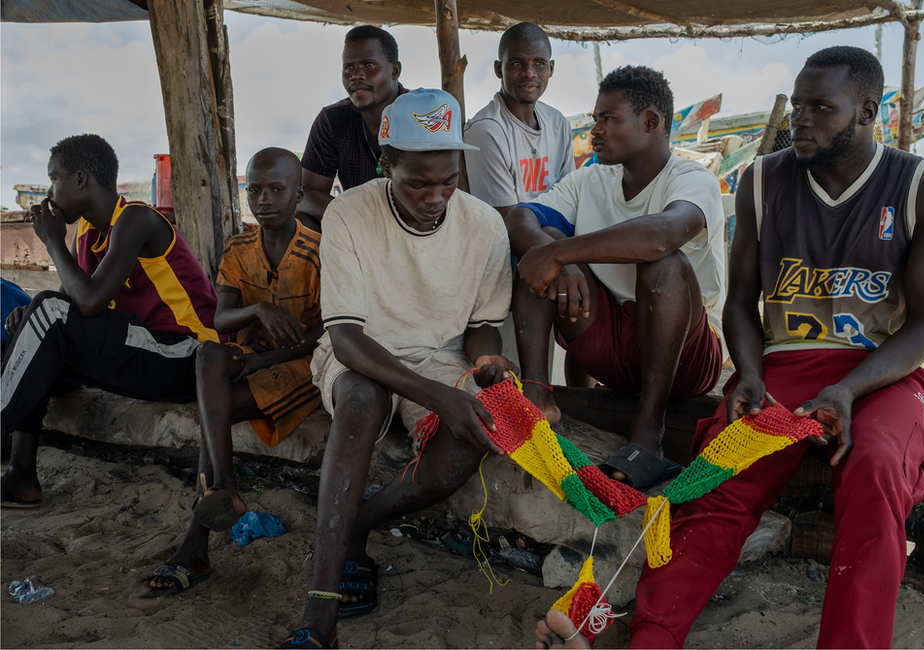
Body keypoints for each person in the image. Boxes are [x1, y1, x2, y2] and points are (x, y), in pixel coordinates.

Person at [541, 46, 924, 650]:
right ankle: (653, 638)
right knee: (718, 484)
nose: (802, 119)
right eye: (798, 104)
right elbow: (740, 303)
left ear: (869, 112)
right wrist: (748, 375)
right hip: (783, 364)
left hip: (881, 372)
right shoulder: (762, 179)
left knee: (873, 471)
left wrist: (845, 390)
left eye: (823, 107)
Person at [279, 88, 516, 649]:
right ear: (386, 164)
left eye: (448, 180)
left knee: (469, 438)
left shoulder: (483, 225)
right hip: (364, 351)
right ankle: (321, 605)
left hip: (440, 355)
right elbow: (347, 337)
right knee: (363, 399)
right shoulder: (349, 213)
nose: (436, 196)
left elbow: (483, 324)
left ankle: (358, 524)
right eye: (418, 182)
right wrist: (438, 397)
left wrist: (484, 361)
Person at [507, 65, 726, 491]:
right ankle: (536, 397)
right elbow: (521, 216)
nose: (596, 130)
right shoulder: (590, 179)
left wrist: (560, 251)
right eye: (595, 120)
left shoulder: (691, 179)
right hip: (614, 350)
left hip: (684, 357)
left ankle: (649, 436)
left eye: (609, 119)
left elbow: (662, 237)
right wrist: (555, 254)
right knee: (539, 251)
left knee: (662, 265)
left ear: (650, 123)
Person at [139, 148, 323, 597]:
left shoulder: (320, 252)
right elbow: (221, 319)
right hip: (249, 361)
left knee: (213, 414)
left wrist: (265, 359)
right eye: (254, 189)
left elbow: (328, 331)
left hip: (301, 368)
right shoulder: (239, 248)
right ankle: (224, 484)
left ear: (298, 194)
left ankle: (196, 542)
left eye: (277, 189)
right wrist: (258, 310)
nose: (264, 199)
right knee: (208, 354)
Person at [0, 134, 219, 509]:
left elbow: (87, 303)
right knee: (30, 321)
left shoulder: (136, 218)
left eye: (55, 179)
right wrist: (31, 314)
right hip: (139, 353)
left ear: (80, 179)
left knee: (47, 310)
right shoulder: (85, 232)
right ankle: (22, 475)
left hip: (186, 356)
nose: (50, 193)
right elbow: (68, 301)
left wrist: (52, 242)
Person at [297, 25, 408, 231]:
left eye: (368, 64)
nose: (356, 75)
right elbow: (306, 195)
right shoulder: (332, 120)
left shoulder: (419, 114)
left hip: (416, 225)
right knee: (302, 222)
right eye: (349, 67)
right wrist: (358, 218)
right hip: (358, 229)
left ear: (395, 70)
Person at [463, 21, 574, 218]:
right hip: (514, 243)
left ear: (551, 68)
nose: (529, 73)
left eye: (539, 63)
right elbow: (507, 221)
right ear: (499, 69)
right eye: (517, 63)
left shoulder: (558, 123)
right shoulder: (485, 130)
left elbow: (571, 198)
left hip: (558, 234)